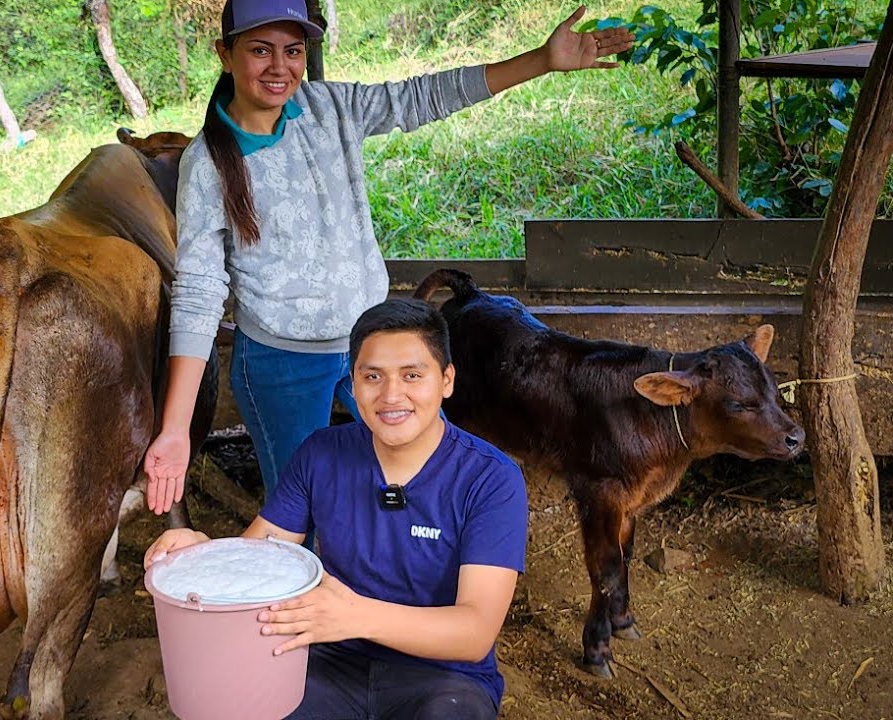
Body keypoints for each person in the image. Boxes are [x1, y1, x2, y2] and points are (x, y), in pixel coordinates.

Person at [143, 0, 632, 516]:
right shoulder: (207, 163)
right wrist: (175, 430)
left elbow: (421, 97)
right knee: (304, 509)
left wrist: (541, 61)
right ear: (225, 54)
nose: (279, 67)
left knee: (411, 482)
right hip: (282, 362)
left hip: (372, 346)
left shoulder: (328, 108)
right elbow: (198, 293)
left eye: (293, 51)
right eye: (260, 50)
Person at [144, 298, 528, 719]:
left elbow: (474, 632)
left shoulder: (491, 478)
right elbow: (258, 554)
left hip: (444, 676)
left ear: (446, 380)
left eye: (412, 375)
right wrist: (204, 556)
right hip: (329, 659)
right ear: (354, 381)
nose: (391, 395)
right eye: (372, 376)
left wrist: (356, 616)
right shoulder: (322, 454)